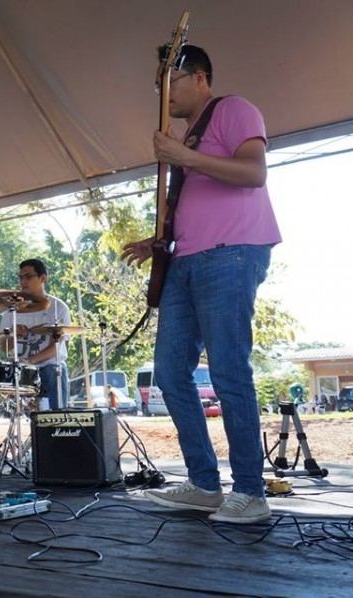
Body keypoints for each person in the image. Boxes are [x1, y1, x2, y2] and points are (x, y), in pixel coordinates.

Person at [121, 44, 281, 524]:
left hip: (231, 254)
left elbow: (253, 172)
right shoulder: (188, 138)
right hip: (186, 259)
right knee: (169, 373)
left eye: (169, 82)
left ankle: (250, 492)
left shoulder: (233, 109)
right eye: (158, 86)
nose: (163, 94)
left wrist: (178, 153)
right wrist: (159, 240)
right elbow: (193, 205)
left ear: (199, 77)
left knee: (230, 371)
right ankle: (204, 484)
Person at [0, 258, 71, 411]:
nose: (23, 281)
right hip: (21, 371)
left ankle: (59, 421)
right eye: (21, 277)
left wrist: (30, 361)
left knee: (55, 370)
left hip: (48, 367)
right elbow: (4, 348)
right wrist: (13, 335)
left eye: (28, 276)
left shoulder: (58, 308)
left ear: (42, 278)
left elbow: (56, 348)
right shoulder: (11, 311)